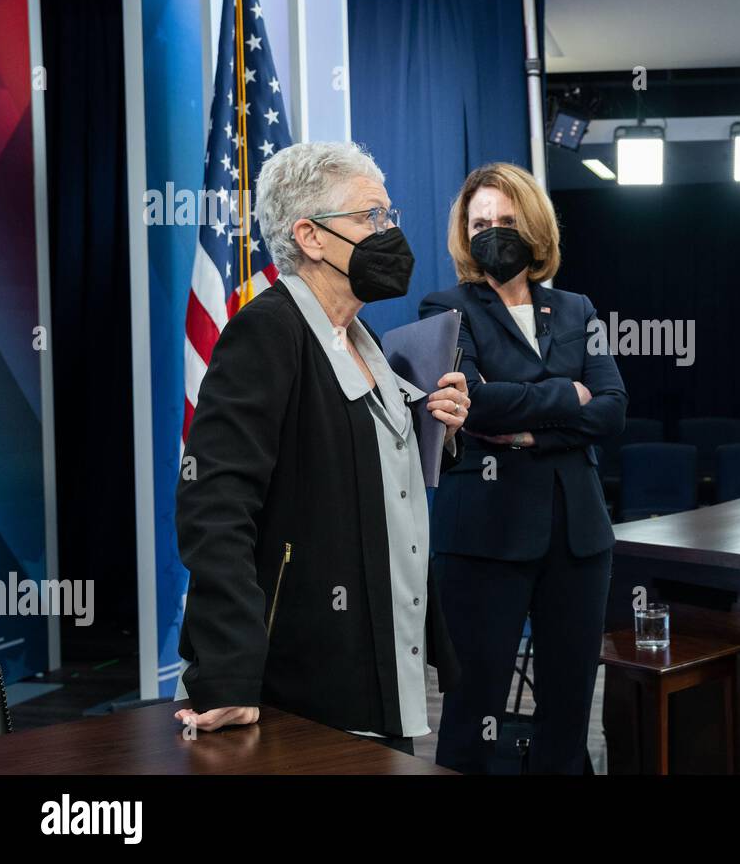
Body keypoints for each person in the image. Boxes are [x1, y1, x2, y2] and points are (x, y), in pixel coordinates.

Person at [174, 141, 470, 756]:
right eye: (371, 218)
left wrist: (441, 429)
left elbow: (369, 472)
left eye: (390, 216)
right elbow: (215, 504)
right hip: (307, 677)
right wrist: (228, 669)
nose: (389, 233)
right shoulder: (266, 331)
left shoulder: (365, 341)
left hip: (381, 660)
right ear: (309, 235)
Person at [420, 162, 627, 774]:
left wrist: (528, 426)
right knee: (472, 711)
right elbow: (471, 401)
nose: (492, 232)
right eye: (480, 222)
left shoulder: (576, 308)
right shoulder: (446, 304)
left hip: (578, 536)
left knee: (567, 711)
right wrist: (567, 397)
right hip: (484, 533)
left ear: (534, 226)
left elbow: (614, 408)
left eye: (506, 221)